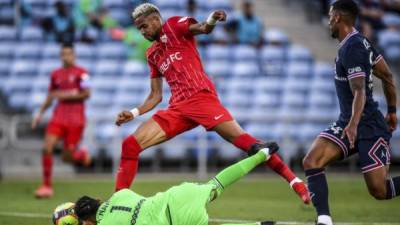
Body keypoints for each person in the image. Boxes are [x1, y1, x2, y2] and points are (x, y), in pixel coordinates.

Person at [113, 3, 310, 204]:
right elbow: (155, 96)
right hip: (177, 108)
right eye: (139, 28)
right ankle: (116, 203)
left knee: (251, 145)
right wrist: (134, 112)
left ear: (156, 20)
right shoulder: (152, 54)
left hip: (201, 98)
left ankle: (295, 182)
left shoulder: (173, 26)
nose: (142, 32)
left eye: (144, 26)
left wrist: (212, 19)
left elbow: (203, 28)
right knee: (130, 145)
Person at [302, 1, 400, 224]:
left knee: (380, 191)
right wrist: (392, 111)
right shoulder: (361, 42)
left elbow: (359, 91)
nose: (328, 21)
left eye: (329, 16)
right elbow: (387, 75)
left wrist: (354, 124)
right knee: (312, 161)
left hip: (367, 126)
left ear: (337, 17)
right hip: (349, 122)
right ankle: (324, 220)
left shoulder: (353, 48)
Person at [74, 146, 279, 225]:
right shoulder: (120, 195)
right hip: (177, 194)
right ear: (98, 200)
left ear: (88, 221)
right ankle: (262, 154)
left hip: (175, 219)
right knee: (217, 183)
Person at [32, 43, 92, 198]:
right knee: (47, 147)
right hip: (58, 117)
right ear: (61, 56)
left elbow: (87, 93)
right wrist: (39, 114)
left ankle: (81, 155)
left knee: (67, 158)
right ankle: (46, 187)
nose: (66, 56)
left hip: (76, 119)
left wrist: (65, 95)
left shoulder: (82, 73)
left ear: (74, 55)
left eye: (69, 53)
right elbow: (51, 96)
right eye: (64, 54)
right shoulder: (55, 74)